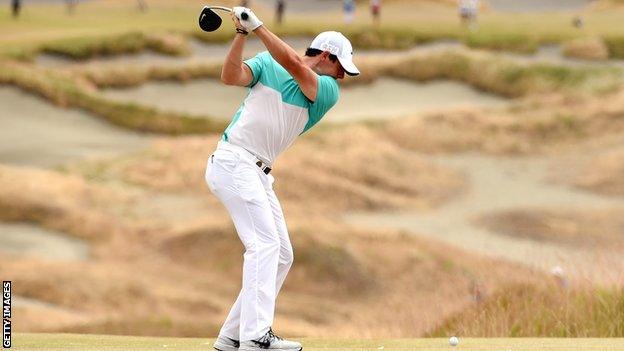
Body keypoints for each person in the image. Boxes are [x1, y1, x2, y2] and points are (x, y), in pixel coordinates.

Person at [206, 6, 359, 351]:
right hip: (234, 161)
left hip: (257, 173)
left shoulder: (326, 90)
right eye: (341, 67)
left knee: (282, 254)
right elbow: (231, 76)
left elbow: (292, 63)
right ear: (325, 56)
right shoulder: (266, 64)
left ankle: (232, 335)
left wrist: (257, 26)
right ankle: (256, 336)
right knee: (263, 245)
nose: (343, 77)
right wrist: (240, 36)